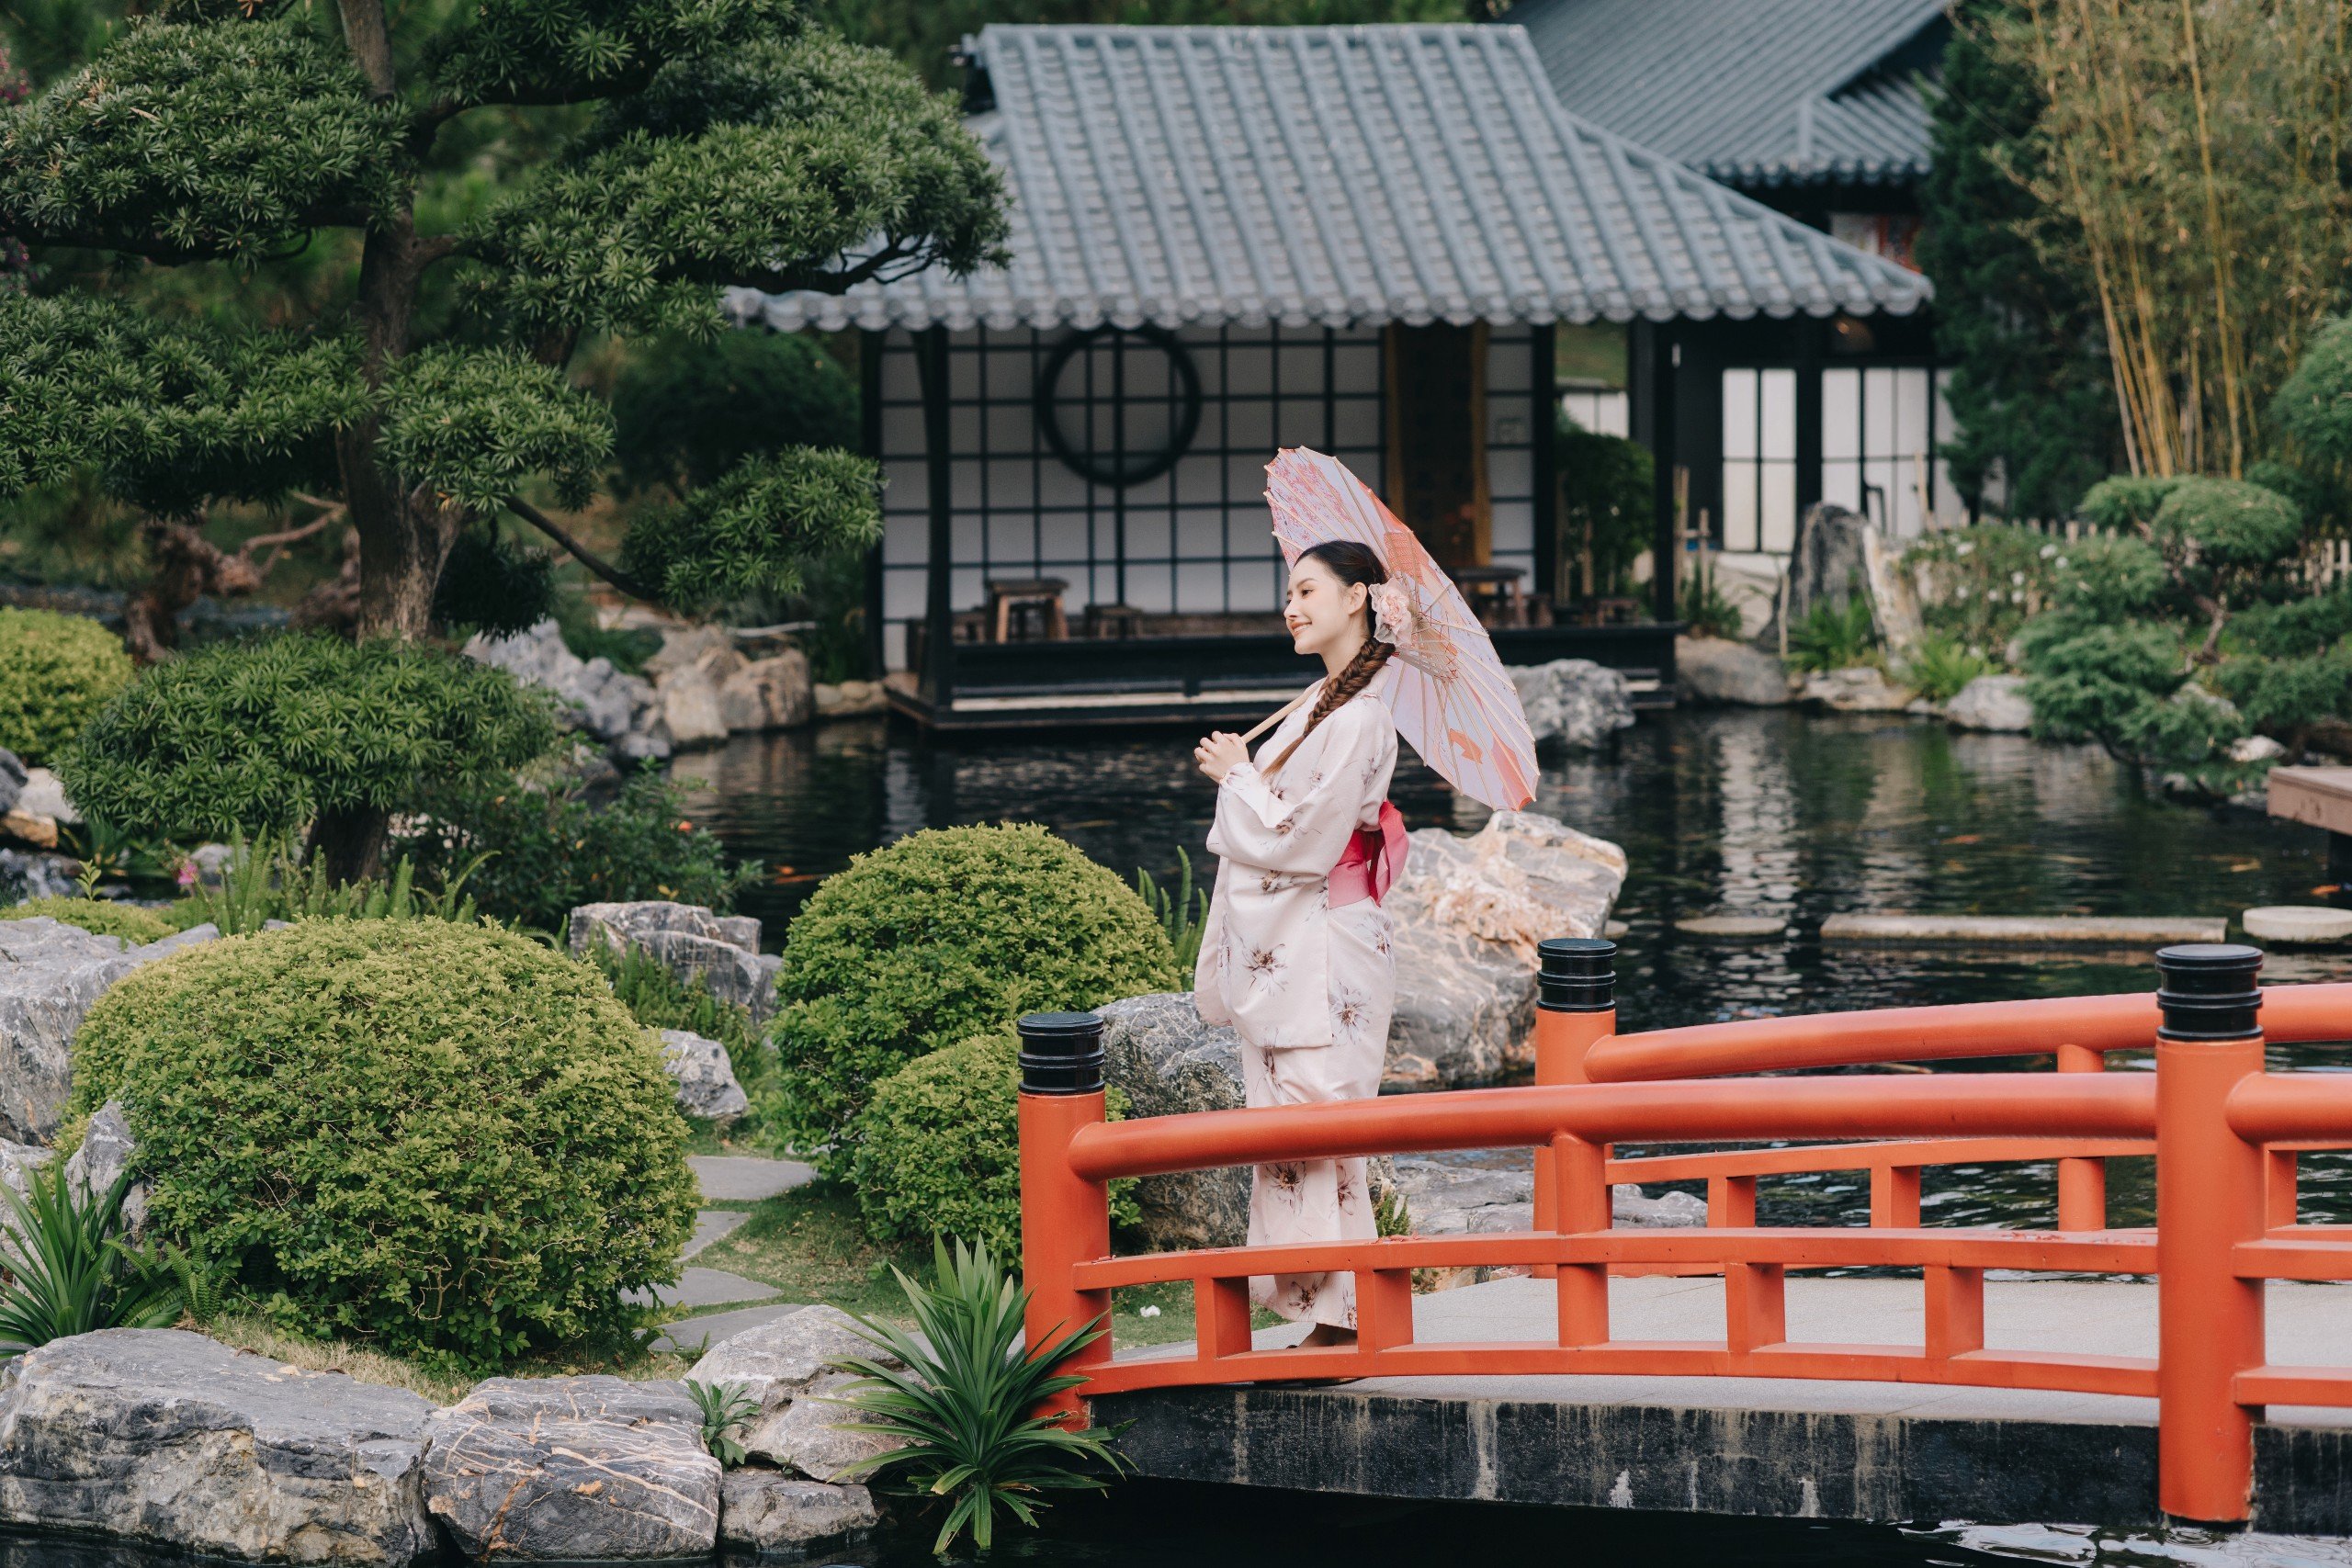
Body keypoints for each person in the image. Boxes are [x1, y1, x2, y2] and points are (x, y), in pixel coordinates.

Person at [1191, 538, 1407, 1348]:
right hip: (1305, 938)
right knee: (1288, 1125)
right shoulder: (1319, 702)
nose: (1293, 604)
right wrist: (1247, 773)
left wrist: (1239, 776)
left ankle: (1343, 1313)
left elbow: (1306, 839)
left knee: (1321, 1120)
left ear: (1358, 598)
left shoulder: (1360, 716)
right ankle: (1325, 1307)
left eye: (1309, 590)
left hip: (1330, 945)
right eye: (1289, 590)